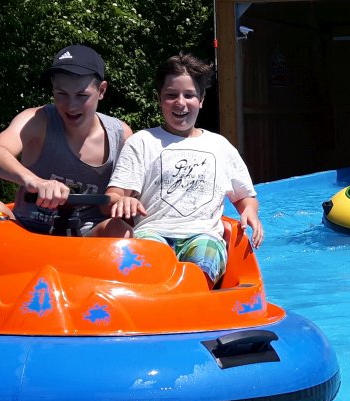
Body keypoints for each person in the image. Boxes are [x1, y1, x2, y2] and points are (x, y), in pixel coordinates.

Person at [105, 53, 261, 288]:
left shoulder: (219, 146)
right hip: (153, 231)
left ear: (201, 99)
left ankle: (193, 299)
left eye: (189, 95)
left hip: (202, 234)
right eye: (171, 95)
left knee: (204, 261)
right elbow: (113, 196)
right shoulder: (143, 141)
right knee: (147, 259)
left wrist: (250, 212)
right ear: (159, 98)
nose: (180, 102)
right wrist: (121, 202)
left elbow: (245, 196)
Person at [0, 44, 134, 237]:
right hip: (28, 231)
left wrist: (126, 200)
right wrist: (35, 182)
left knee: (121, 231)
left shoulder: (121, 135)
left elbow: (126, 195)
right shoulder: (36, 120)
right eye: (61, 94)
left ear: (101, 91)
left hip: (88, 238)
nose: (71, 105)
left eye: (81, 95)